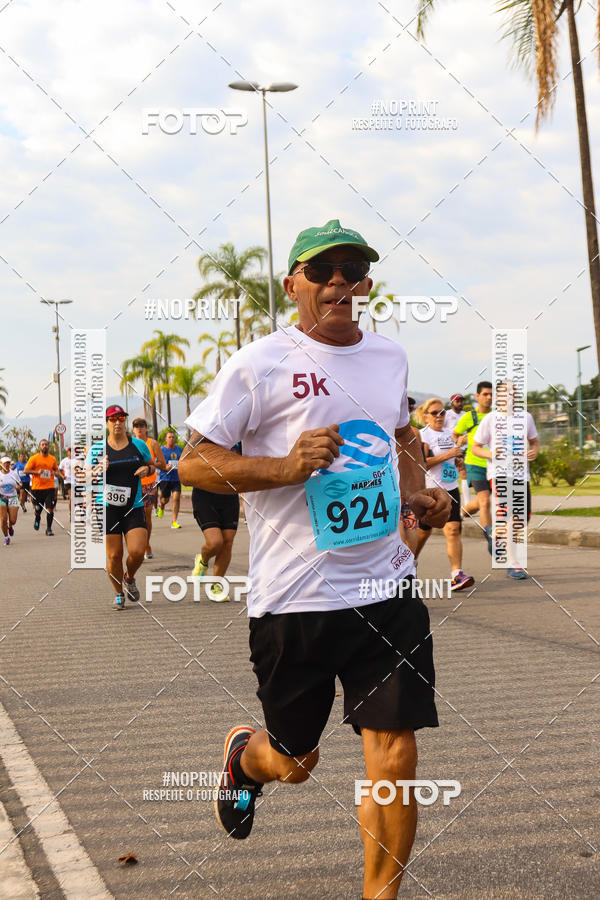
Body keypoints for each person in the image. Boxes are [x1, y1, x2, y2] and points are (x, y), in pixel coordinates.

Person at [179, 218, 451, 900]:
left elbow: (401, 436)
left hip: (386, 590)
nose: (338, 282)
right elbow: (194, 463)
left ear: (366, 284)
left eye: (351, 270)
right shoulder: (259, 364)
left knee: (395, 755)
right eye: (321, 271)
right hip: (293, 599)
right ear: (292, 284)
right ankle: (246, 762)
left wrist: (418, 492)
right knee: (296, 761)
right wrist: (284, 466)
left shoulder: (388, 357)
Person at [87, 405, 154, 610]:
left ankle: (129, 577)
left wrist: (147, 469)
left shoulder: (138, 445)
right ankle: (118, 593)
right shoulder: (97, 449)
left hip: (133, 505)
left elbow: (152, 465)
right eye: (113, 419)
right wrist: (98, 469)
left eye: (121, 418)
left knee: (137, 551)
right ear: (107, 423)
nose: (117, 422)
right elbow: (86, 475)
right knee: (114, 555)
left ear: (125, 421)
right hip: (108, 507)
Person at [472, 384, 539, 579]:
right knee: (513, 516)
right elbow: (476, 447)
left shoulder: (526, 417)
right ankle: (513, 563)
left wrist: (534, 452)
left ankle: (496, 535)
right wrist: (490, 453)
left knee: (523, 520)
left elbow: (534, 441)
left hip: (522, 475)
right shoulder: (490, 419)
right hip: (500, 474)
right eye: (506, 392)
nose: (511, 395)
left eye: (514, 392)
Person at [410, 399, 474, 590]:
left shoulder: (448, 434)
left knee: (453, 529)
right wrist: (448, 455)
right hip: (430, 490)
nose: (439, 416)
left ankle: (457, 575)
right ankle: (408, 567)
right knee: (423, 533)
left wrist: (457, 462)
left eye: (442, 412)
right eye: (434, 413)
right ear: (426, 416)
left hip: (451, 488)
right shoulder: (423, 435)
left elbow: (453, 458)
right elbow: (422, 464)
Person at [190, 445, 242, 602]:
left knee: (227, 542)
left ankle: (216, 586)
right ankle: (203, 560)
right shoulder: (201, 440)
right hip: (204, 495)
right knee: (215, 543)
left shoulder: (237, 442)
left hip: (229, 494)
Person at [453, 381, 493, 553]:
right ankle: (491, 538)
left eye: (491, 394)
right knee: (485, 501)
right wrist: (459, 440)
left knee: (480, 502)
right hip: (475, 463)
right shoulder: (469, 417)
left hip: (494, 466)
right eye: (485, 394)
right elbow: (455, 434)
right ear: (477, 396)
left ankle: (461, 513)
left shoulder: (497, 416)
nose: (489, 397)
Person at [131, 418, 167, 559]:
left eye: (142, 425)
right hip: (133, 484)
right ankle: (136, 543)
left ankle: (146, 544)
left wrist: (148, 467)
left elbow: (163, 464)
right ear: (133, 429)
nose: (139, 428)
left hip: (149, 483)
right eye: (136, 426)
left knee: (146, 515)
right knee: (134, 516)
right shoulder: (129, 443)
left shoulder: (153, 443)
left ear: (146, 428)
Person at [24, 439, 59, 535]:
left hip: (49, 488)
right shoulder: (34, 458)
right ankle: (37, 517)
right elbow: (26, 470)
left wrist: (58, 473)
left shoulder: (52, 459)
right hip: (37, 488)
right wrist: (37, 472)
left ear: (48, 447)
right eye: (42, 444)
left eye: (46, 444)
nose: (44, 446)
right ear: (39, 447)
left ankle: (49, 529)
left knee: (50, 509)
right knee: (38, 509)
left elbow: (56, 469)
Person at [157, 430, 183, 528]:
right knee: (165, 500)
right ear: (166, 439)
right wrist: (164, 467)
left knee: (176, 498)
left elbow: (183, 461)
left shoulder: (179, 449)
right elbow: (157, 463)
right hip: (165, 478)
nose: (171, 439)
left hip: (176, 479)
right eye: (169, 437)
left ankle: (174, 521)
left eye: (173, 437)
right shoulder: (161, 450)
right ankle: (161, 506)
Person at [0, 457, 22, 545]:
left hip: (13, 497)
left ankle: (10, 526)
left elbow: (20, 484)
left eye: (8, 463)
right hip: (2, 498)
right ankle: (6, 537)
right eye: (5, 463)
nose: (7, 464)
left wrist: (18, 487)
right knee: (3, 519)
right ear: (1, 464)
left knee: (13, 520)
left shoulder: (14, 474)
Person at [58, 447, 74, 516]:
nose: (71, 452)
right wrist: (62, 476)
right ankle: (71, 513)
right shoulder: (64, 461)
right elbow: (59, 470)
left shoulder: (77, 460)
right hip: (68, 481)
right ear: (68, 452)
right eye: (70, 451)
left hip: (76, 481)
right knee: (72, 497)